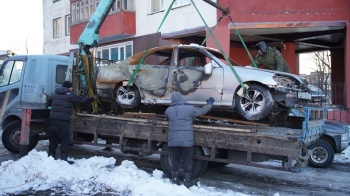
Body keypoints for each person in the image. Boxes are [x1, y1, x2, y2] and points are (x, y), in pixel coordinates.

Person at [164, 92, 214, 188]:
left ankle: (175, 180)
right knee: (187, 160)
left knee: (175, 160)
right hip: (186, 141)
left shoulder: (168, 111)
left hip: (173, 141)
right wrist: (209, 104)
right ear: (182, 98)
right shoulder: (189, 109)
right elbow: (201, 112)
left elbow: (167, 115)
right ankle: (187, 181)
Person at [47, 81, 96, 164]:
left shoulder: (54, 93)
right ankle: (64, 159)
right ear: (69, 87)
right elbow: (82, 100)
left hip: (53, 120)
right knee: (64, 140)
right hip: (63, 120)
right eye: (71, 87)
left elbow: (48, 100)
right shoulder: (70, 94)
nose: (72, 88)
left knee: (53, 139)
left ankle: (51, 157)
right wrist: (93, 98)